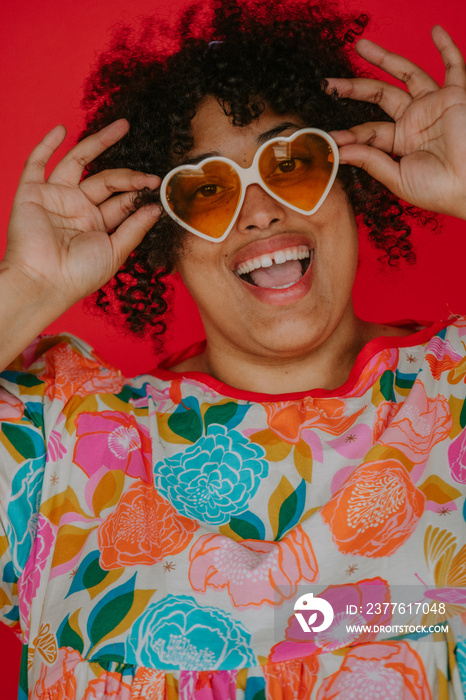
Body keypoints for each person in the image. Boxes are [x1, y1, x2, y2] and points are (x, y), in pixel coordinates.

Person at [0, 0, 465, 697]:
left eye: (295, 162)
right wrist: (26, 289)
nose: (260, 209)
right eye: (208, 190)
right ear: (163, 237)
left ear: (353, 177)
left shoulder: (454, 394)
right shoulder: (56, 444)